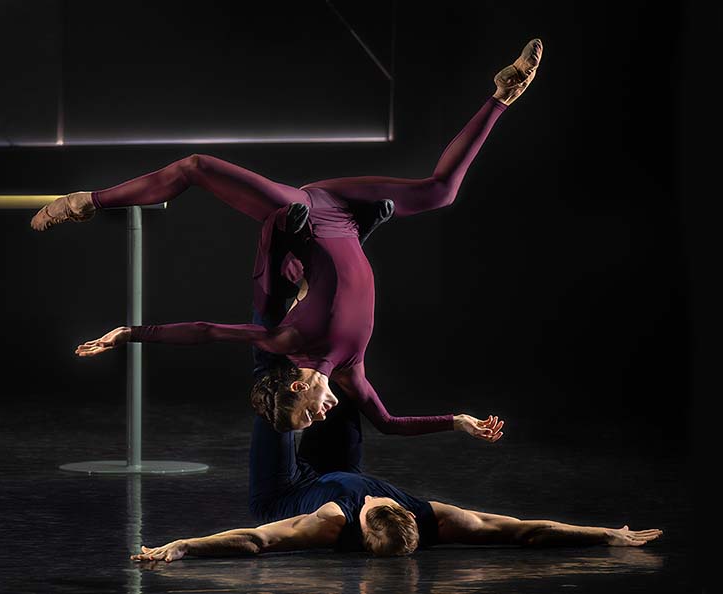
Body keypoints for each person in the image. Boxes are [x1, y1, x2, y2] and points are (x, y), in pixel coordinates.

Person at [33, 39, 544, 441]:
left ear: (299, 387)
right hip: (347, 214)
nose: (321, 419)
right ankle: (502, 96)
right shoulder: (350, 373)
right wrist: (460, 422)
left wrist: (128, 334)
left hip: (308, 210)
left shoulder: (288, 343)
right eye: (313, 423)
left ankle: (87, 201)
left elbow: (206, 331)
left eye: (307, 417)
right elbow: (388, 424)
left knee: (197, 167)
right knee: (440, 193)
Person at [131, 386, 662, 562]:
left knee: (282, 400)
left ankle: (283, 320)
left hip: (284, 491)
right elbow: (523, 529)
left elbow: (254, 540)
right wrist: (607, 534)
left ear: (360, 526)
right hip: (339, 470)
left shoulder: (328, 524)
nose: (380, 502)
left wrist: (182, 545)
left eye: (374, 510)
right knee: (338, 390)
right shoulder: (435, 520)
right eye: (388, 506)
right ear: (407, 512)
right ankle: (318, 307)